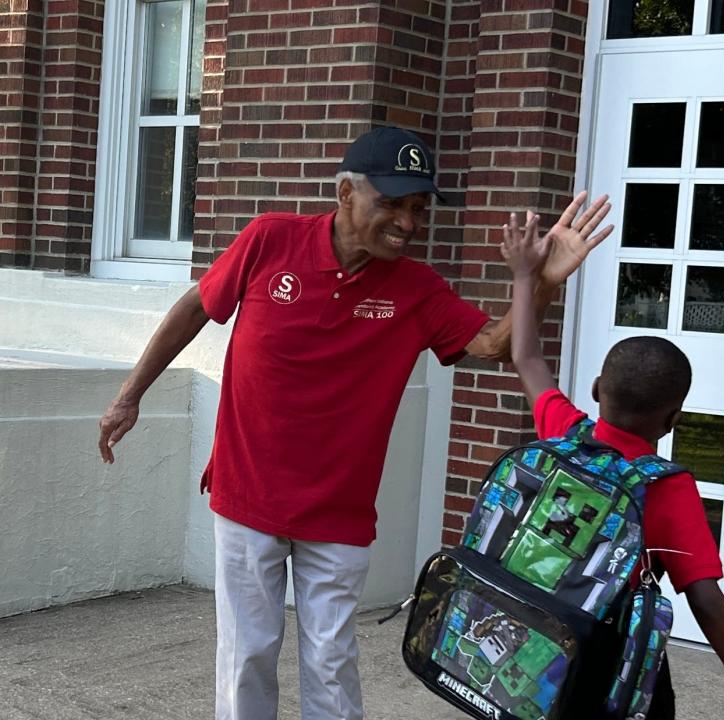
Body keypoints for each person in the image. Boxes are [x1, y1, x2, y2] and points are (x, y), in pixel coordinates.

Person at [96, 126, 613, 720]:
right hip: (247, 495)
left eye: (417, 208)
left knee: (331, 664)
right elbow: (195, 305)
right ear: (345, 194)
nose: (408, 222)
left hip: (338, 512)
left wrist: (543, 282)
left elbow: (497, 343)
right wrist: (129, 395)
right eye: (391, 203)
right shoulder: (270, 240)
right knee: (245, 657)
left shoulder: (417, 290)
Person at [501, 212, 724, 720]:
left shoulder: (563, 432)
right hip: (616, 660)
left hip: (541, 639)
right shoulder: (665, 487)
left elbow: (526, 357)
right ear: (672, 420)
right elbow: (704, 597)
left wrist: (525, 275)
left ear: (598, 390)